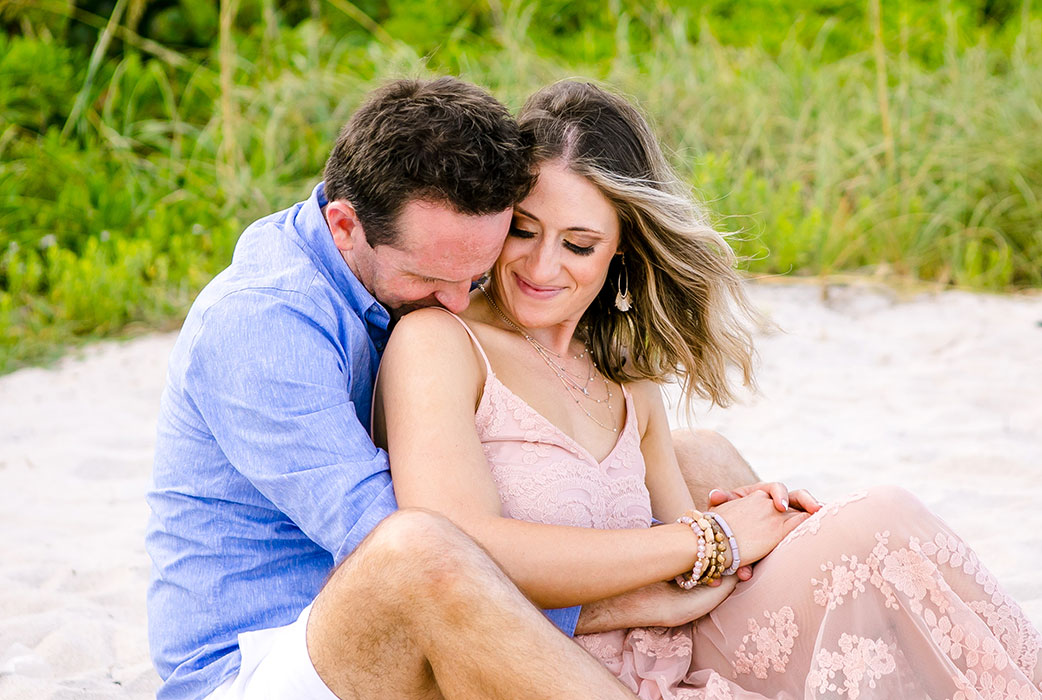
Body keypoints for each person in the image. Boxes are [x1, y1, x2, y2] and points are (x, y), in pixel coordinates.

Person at [374, 80, 1042, 699]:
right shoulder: (441, 342)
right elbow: (456, 551)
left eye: (579, 245)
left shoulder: (625, 375)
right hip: (552, 673)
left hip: (676, 646)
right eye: (523, 230)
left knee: (874, 534)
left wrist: (757, 526)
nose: (541, 265)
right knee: (881, 519)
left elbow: (692, 562)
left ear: (622, 252)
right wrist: (709, 540)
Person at [146, 77, 762, 700]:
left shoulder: (403, 277)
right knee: (418, 542)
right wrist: (631, 596)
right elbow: (408, 550)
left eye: (473, 275)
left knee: (698, 455)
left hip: (395, 628)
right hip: (269, 663)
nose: (455, 302)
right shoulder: (263, 327)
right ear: (343, 226)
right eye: (429, 277)